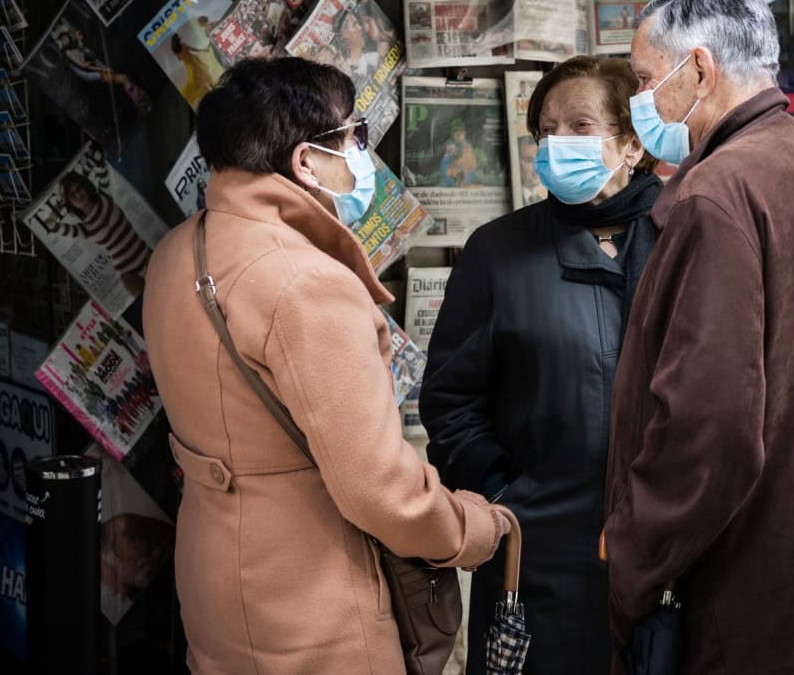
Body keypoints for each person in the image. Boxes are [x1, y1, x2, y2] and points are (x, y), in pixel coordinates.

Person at [142, 58, 508, 673]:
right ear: (306, 162)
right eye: (352, 136)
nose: (360, 153)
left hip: (214, 574)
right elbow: (379, 490)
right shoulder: (306, 282)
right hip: (310, 601)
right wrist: (469, 528)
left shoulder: (178, 250)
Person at [603, 0, 794, 674]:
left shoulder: (717, 192)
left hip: (758, 609)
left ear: (699, 71)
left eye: (647, 79)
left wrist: (630, 555)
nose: (639, 100)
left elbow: (709, 426)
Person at [422, 56, 660, 675]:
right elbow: (451, 401)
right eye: (546, 130)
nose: (558, 144)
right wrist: (506, 496)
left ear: (631, 143)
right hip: (537, 553)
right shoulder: (498, 252)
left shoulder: (679, 238)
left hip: (661, 546)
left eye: (580, 126)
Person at [55, 171, 152, 299]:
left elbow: (100, 165)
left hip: (147, 256)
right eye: (72, 195)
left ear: (84, 185)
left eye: (78, 188)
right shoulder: (84, 229)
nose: (78, 194)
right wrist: (59, 206)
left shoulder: (104, 195)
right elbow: (51, 226)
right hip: (131, 276)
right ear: (70, 203)